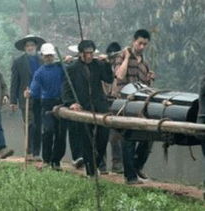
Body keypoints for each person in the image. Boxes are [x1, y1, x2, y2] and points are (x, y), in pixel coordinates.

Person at [62, 40, 113, 177]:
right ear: (80, 54)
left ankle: (96, 162)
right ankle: (91, 170)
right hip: (83, 107)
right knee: (86, 139)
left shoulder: (99, 65)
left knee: (103, 138)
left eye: (91, 53)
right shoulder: (73, 68)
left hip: (100, 106)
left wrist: (108, 64)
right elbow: (66, 89)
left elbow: (109, 79)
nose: (89, 56)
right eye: (87, 53)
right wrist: (71, 103)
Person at [115, 29, 155, 185]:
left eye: (145, 44)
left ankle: (137, 166)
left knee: (148, 136)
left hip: (141, 104)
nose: (142, 46)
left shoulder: (144, 63)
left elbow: (145, 87)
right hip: (125, 103)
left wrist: (149, 78)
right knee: (128, 138)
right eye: (140, 43)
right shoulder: (122, 56)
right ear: (133, 41)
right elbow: (119, 75)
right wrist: (126, 58)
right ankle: (130, 176)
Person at [28, 43, 66, 170]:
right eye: (46, 56)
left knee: (61, 133)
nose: (49, 58)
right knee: (48, 130)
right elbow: (34, 89)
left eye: (51, 55)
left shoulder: (61, 68)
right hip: (47, 103)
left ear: (54, 56)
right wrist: (29, 93)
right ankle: (47, 159)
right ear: (43, 57)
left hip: (61, 103)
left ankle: (56, 161)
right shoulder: (39, 73)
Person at [10, 34, 45, 161]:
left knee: (39, 125)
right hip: (25, 98)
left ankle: (37, 153)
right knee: (30, 124)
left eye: (32, 45)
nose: (30, 47)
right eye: (28, 46)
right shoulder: (18, 62)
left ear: (36, 46)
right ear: (24, 48)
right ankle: (29, 151)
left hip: (40, 98)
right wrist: (13, 100)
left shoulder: (42, 60)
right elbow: (14, 82)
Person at [103, 42, 123, 174]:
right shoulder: (103, 66)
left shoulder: (122, 68)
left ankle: (117, 164)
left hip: (117, 104)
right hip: (104, 103)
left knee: (115, 137)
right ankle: (101, 164)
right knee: (101, 136)